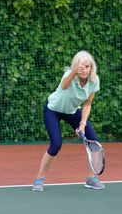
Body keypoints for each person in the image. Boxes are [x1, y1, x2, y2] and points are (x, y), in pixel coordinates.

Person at [32, 51, 104, 191]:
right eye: (81, 66)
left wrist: (82, 124)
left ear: (91, 68)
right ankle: (39, 179)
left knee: (94, 142)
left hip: (71, 111)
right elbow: (64, 86)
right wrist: (74, 72)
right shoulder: (69, 75)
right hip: (53, 110)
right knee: (56, 144)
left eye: (87, 66)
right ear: (76, 66)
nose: (84, 69)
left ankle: (91, 178)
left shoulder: (94, 81)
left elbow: (87, 104)